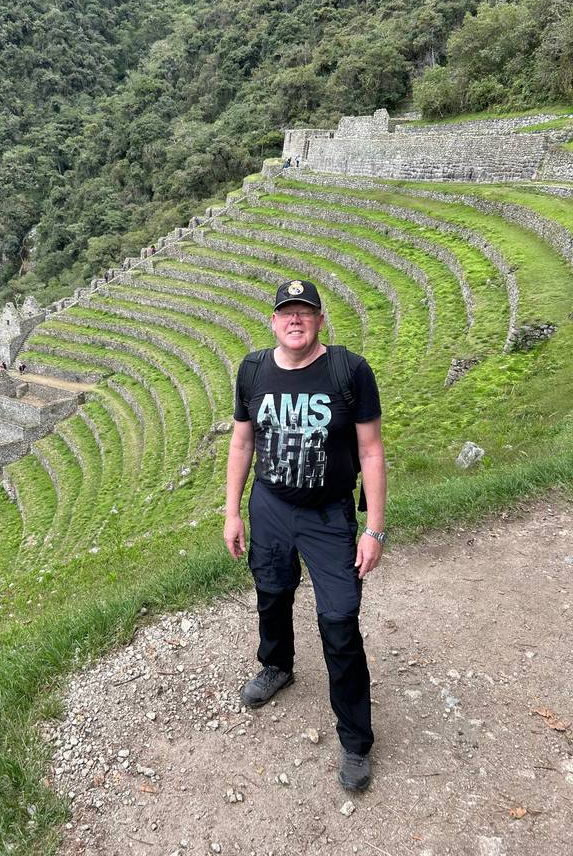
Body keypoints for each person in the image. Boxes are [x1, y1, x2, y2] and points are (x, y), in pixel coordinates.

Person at [224, 279, 387, 792]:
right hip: (270, 506)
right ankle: (276, 665)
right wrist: (233, 513)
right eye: (286, 312)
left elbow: (372, 452)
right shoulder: (252, 370)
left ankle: (356, 740)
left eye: (305, 312)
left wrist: (374, 529)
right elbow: (242, 442)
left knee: (339, 620)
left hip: (328, 514)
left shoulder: (349, 371)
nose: (295, 320)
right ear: (273, 322)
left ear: (319, 321)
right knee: (271, 594)